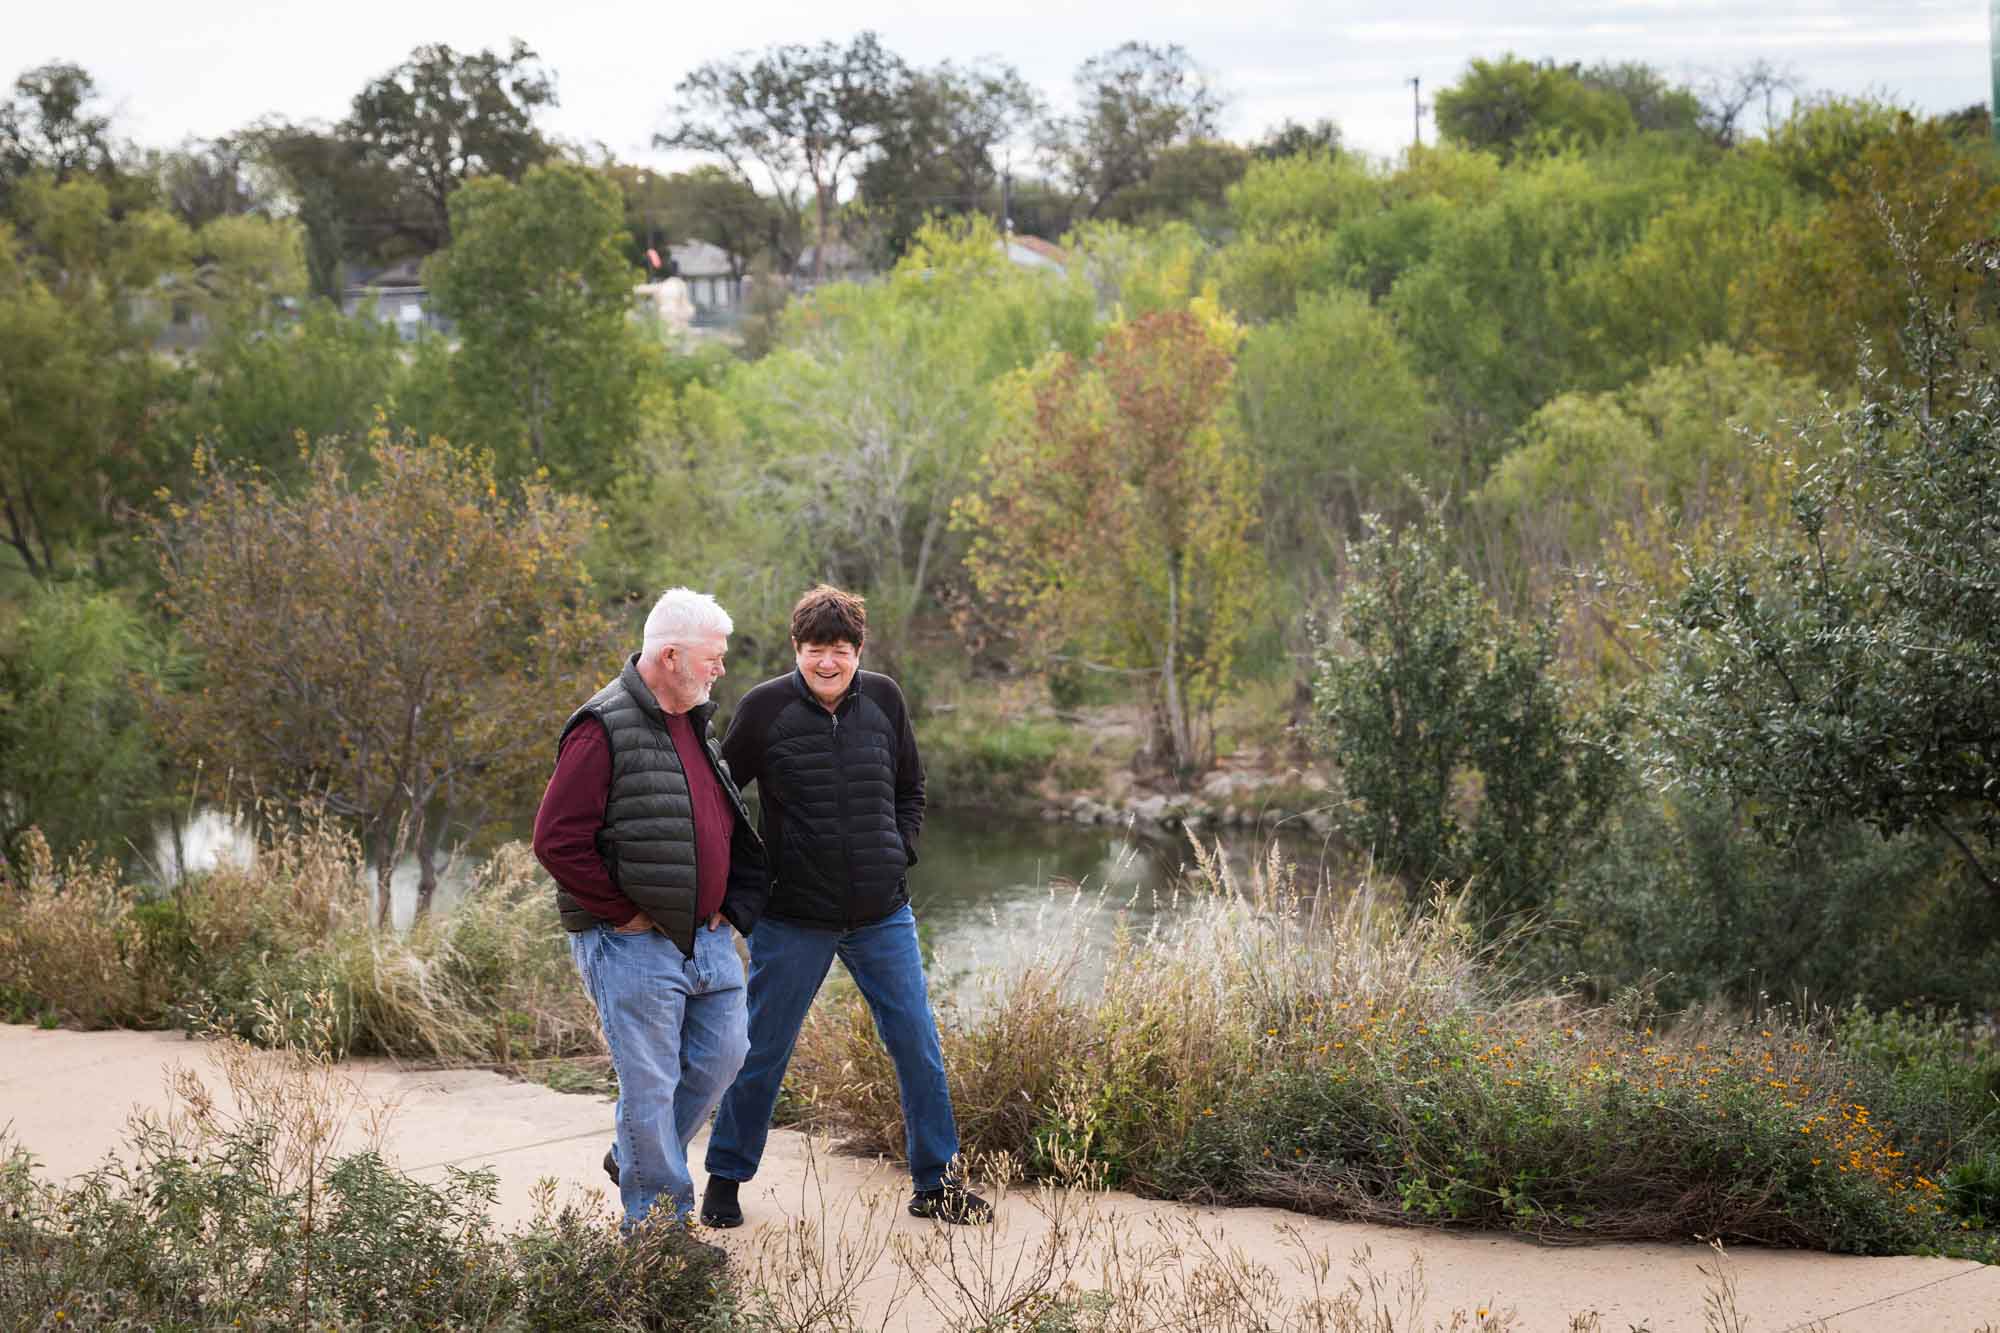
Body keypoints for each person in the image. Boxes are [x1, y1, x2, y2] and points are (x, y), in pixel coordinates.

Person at [701, 585, 992, 1228]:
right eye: (813, 651)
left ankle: (935, 1183)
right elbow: (715, 800)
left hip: (882, 914)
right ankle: (725, 1180)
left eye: (839, 650)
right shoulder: (764, 708)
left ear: (858, 650)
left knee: (917, 1044)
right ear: (795, 650)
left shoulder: (885, 697)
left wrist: (899, 851)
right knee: (761, 1051)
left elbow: (910, 788)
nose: (826, 663)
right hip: (792, 917)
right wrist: (731, 891)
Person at [531, 587, 765, 1232]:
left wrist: (735, 901)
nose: (721, 668)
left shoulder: (692, 719)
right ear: (670, 655)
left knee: (725, 1056)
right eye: (712, 657)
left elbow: (725, 822)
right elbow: (556, 839)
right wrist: (618, 911)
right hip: (631, 942)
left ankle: (632, 1153)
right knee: (650, 1083)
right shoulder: (601, 727)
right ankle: (658, 1235)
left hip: (707, 937)